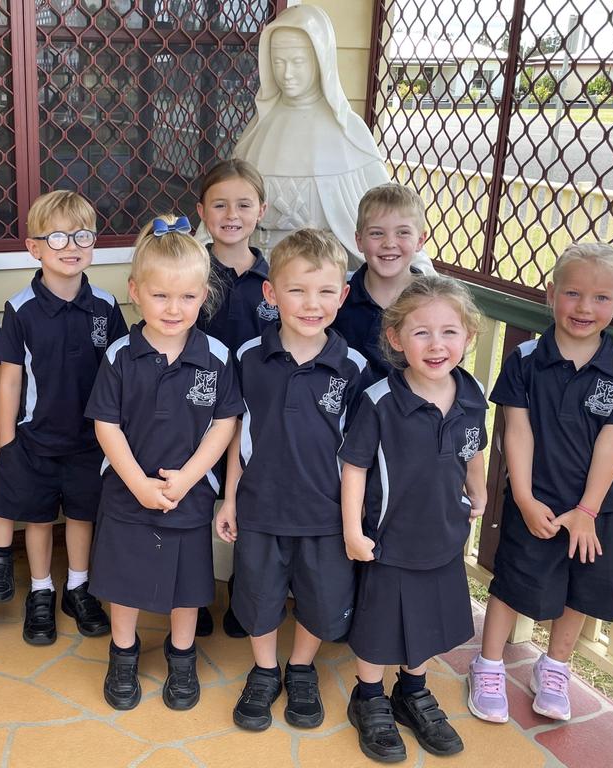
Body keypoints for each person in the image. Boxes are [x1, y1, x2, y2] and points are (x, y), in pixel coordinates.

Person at [468, 243, 613, 724]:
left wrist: (587, 511)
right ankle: (487, 666)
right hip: (538, 498)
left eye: (601, 298)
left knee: (582, 588)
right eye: (573, 293)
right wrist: (523, 499)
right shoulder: (525, 359)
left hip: (599, 507)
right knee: (515, 580)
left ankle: (555, 667)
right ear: (551, 295)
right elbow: (516, 431)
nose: (585, 308)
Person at [86, 214, 243, 711]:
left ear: (204, 296)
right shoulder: (118, 356)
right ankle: (124, 655)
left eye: (187, 297)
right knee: (125, 580)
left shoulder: (216, 356)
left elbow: (225, 424)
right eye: (160, 296)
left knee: (186, 585)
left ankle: (181, 657)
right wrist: (137, 484)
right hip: (128, 493)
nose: (174, 309)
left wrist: (190, 477)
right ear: (135, 291)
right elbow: (106, 426)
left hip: (188, 494)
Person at [217, 229, 369, 731]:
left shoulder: (354, 369)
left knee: (321, 596)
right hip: (260, 507)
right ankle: (264, 670)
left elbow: (359, 457)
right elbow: (237, 434)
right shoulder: (247, 359)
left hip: (324, 515)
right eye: (298, 291)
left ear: (343, 296)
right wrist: (229, 500)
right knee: (258, 595)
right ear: (271, 293)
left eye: (326, 292)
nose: (312, 304)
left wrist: (352, 522)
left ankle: (300, 667)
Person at [339, 275, 487, 762]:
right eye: (421, 332)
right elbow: (355, 466)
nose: (437, 344)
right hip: (389, 538)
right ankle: (370, 697)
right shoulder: (380, 400)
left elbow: (472, 450)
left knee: (426, 618)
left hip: (443, 533)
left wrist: (478, 490)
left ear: (468, 337)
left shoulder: (471, 393)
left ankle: (413, 689)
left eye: (449, 332)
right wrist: (352, 530)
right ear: (396, 339)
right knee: (380, 624)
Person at [0, 190, 127, 644]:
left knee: (84, 516)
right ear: (35, 248)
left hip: (91, 440)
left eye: (83, 236)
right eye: (59, 237)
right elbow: (8, 379)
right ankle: (41, 591)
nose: (72, 246)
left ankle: (78, 588)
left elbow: (122, 368)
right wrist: (7, 441)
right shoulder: (21, 308)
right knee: (40, 517)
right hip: (35, 440)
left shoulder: (105, 305)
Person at [232, 5, 432, 273]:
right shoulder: (258, 129)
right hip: (259, 275)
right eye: (278, 62)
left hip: (321, 281)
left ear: (320, 59)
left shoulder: (347, 132)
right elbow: (225, 204)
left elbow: (389, 210)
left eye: (298, 62)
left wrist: (421, 272)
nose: (287, 73)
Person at [194, 157, 277, 638]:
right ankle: (196, 593)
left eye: (243, 204)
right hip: (198, 408)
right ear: (203, 211)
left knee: (248, 500)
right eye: (220, 204)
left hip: (258, 413)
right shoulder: (192, 269)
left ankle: (245, 599)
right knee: (201, 500)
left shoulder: (273, 279)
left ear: (260, 210)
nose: (232, 214)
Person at [332, 183, 429, 381]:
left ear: (420, 240)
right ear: (359, 240)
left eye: (402, 232)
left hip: (404, 410)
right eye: (377, 233)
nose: (389, 243)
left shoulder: (432, 303)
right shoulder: (336, 296)